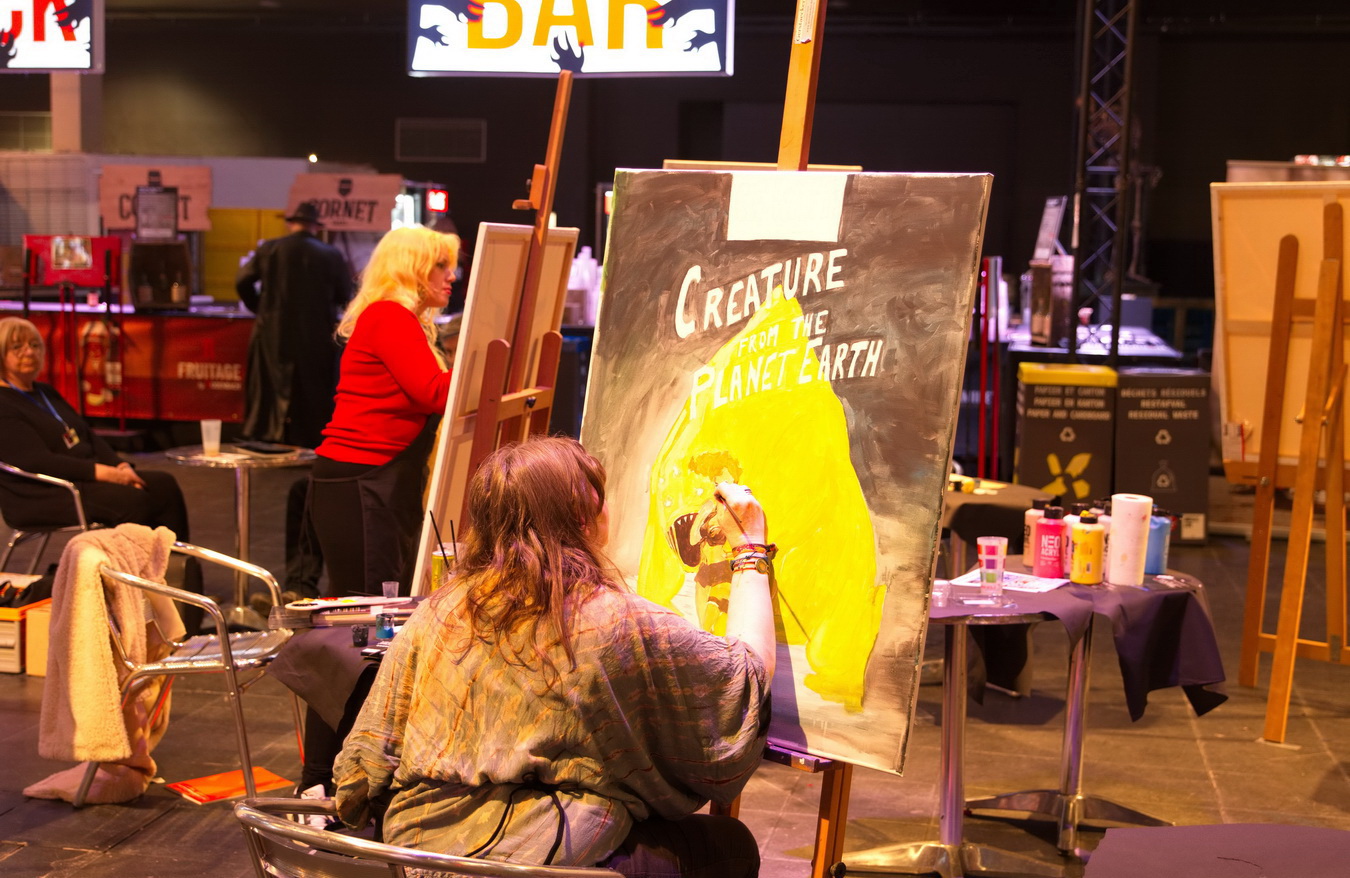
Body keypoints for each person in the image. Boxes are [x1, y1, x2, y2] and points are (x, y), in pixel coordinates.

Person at [334, 437, 774, 877]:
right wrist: (749, 548)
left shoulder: (440, 609)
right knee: (729, 846)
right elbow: (743, 682)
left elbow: (367, 761)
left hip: (416, 854)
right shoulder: (611, 620)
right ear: (584, 517)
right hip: (525, 864)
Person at [0, 317, 203, 630]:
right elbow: (38, 461)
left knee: (163, 486)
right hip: (44, 492)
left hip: (84, 478)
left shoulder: (45, 392)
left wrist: (120, 466)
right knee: (132, 502)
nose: (28, 352)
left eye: (34, 345)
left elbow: (87, 436)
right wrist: (106, 474)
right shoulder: (3, 403)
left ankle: (176, 587)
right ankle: (133, 596)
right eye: (17, 347)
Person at [308, 225, 459, 600]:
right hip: (362, 482)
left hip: (374, 479)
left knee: (380, 603)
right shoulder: (390, 316)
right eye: (441, 265)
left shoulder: (397, 319)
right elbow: (434, 393)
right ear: (411, 268)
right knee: (369, 607)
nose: (452, 276)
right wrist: (486, 358)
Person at [235, 200, 352, 449]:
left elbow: (243, 281)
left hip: (272, 330)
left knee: (270, 384)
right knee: (310, 388)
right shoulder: (330, 254)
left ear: (291, 223)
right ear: (315, 226)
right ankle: (308, 436)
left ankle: (267, 433)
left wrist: (260, 309)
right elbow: (345, 295)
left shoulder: (269, 249)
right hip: (315, 332)